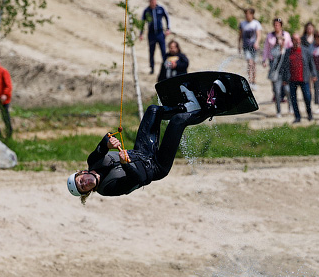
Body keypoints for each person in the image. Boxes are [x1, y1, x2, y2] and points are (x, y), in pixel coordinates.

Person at [67, 82, 226, 199]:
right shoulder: (107, 189)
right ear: (87, 192)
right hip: (156, 167)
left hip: (143, 151)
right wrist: (124, 164)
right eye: (83, 188)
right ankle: (210, 107)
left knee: (153, 110)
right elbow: (136, 179)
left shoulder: (93, 161)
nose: (85, 183)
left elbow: (104, 143)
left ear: (82, 173)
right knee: (177, 121)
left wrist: (109, 142)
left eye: (81, 181)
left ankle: (189, 107)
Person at [263, 18, 291, 118]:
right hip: (273, 64)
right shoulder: (270, 36)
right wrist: (264, 59)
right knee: (277, 90)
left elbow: (290, 47)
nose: (276, 26)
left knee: (287, 88)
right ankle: (278, 110)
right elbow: (266, 48)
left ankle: (290, 106)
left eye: (278, 24)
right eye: (275, 24)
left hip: (284, 63)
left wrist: (283, 45)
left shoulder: (286, 35)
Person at [138, 0, 171, 75]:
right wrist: (141, 33)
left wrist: (168, 28)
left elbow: (166, 17)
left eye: (154, 1)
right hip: (151, 34)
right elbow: (142, 22)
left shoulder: (160, 9)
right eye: (151, 1)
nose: (153, 3)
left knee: (163, 51)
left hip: (160, 33)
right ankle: (152, 68)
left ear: (156, 1)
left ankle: (167, 67)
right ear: (149, 2)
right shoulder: (147, 11)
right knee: (152, 52)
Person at [287, 32, 313, 122]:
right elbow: (285, 66)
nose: (297, 41)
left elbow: (311, 64)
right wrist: (284, 78)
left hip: (304, 78)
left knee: (307, 97)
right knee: (293, 99)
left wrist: (313, 75)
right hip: (292, 79)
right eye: (295, 39)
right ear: (292, 41)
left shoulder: (306, 51)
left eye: (298, 39)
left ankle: (309, 114)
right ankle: (297, 117)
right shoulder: (288, 52)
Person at [238, 8, 262, 88]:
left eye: (248, 14)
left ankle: (254, 80)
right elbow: (240, 35)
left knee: (254, 64)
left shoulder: (256, 23)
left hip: (254, 46)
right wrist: (239, 45)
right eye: (246, 14)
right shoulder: (242, 24)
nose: (247, 16)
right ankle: (249, 80)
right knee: (249, 62)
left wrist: (257, 42)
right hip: (246, 46)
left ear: (252, 15)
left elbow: (259, 35)